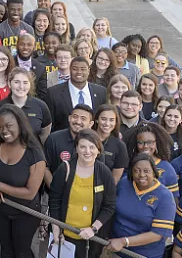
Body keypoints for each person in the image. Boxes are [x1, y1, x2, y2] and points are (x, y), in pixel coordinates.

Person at [0, 104, 47, 258]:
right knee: (5, 250)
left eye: (8, 125)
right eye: (0, 127)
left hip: (25, 213)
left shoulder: (35, 154)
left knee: (22, 252)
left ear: (20, 124)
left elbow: (30, 193)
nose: (4, 131)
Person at [47, 129, 117, 258]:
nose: (87, 151)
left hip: (90, 239)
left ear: (98, 150)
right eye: (83, 147)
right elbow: (54, 201)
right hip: (64, 236)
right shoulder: (65, 169)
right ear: (76, 149)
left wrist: (94, 229)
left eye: (92, 147)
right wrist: (56, 229)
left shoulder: (104, 173)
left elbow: (110, 205)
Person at [106, 153, 176, 258]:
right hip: (116, 250)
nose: (142, 175)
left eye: (146, 171)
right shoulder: (124, 183)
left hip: (145, 254)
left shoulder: (165, 196)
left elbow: (157, 234)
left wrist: (124, 241)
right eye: (137, 170)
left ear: (154, 172)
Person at [45, 57, 107, 132]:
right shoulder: (53, 93)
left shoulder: (101, 92)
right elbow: (50, 124)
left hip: (93, 140)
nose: (79, 72)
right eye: (75, 69)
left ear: (88, 71)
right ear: (69, 70)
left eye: (83, 69)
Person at [125, 122, 180, 200]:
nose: (146, 146)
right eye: (141, 142)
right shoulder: (129, 164)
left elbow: (173, 200)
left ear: (157, 143)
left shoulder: (167, 168)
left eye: (150, 142)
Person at [44, 104, 94, 183]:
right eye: (75, 117)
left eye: (83, 119)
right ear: (69, 118)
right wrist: (54, 190)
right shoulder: (54, 139)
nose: (78, 121)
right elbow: (45, 168)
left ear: (90, 124)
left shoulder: (94, 143)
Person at [92, 104, 129, 183]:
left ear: (116, 122)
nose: (107, 123)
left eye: (111, 120)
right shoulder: (86, 139)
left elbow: (114, 180)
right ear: (97, 119)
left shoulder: (120, 146)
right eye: (103, 119)